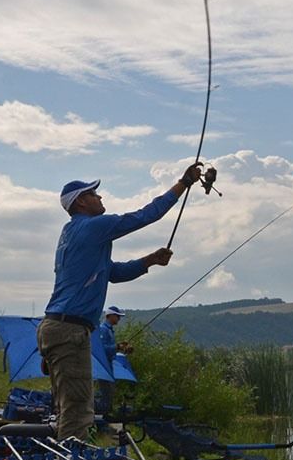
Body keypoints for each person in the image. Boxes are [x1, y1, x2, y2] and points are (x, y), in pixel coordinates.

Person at [40, 162, 202, 441]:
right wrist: (182, 184)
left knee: (66, 407)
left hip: (55, 326)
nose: (100, 198)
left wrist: (149, 260)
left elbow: (113, 273)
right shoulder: (94, 227)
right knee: (79, 410)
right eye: (94, 194)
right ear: (81, 202)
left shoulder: (71, 234)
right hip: (70, 331)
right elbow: (144, 216)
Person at [94, 305, 124, 416]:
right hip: (103, 367)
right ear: (109, 316)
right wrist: (117, 347)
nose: (119, 319)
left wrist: (120, 348)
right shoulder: (103, 329)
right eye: (117, 316)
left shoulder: (110, 330)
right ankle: (101, 418)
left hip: (108, 365)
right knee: (105, 393)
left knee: (109, 393)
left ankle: (104, 417)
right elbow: (101, 349)